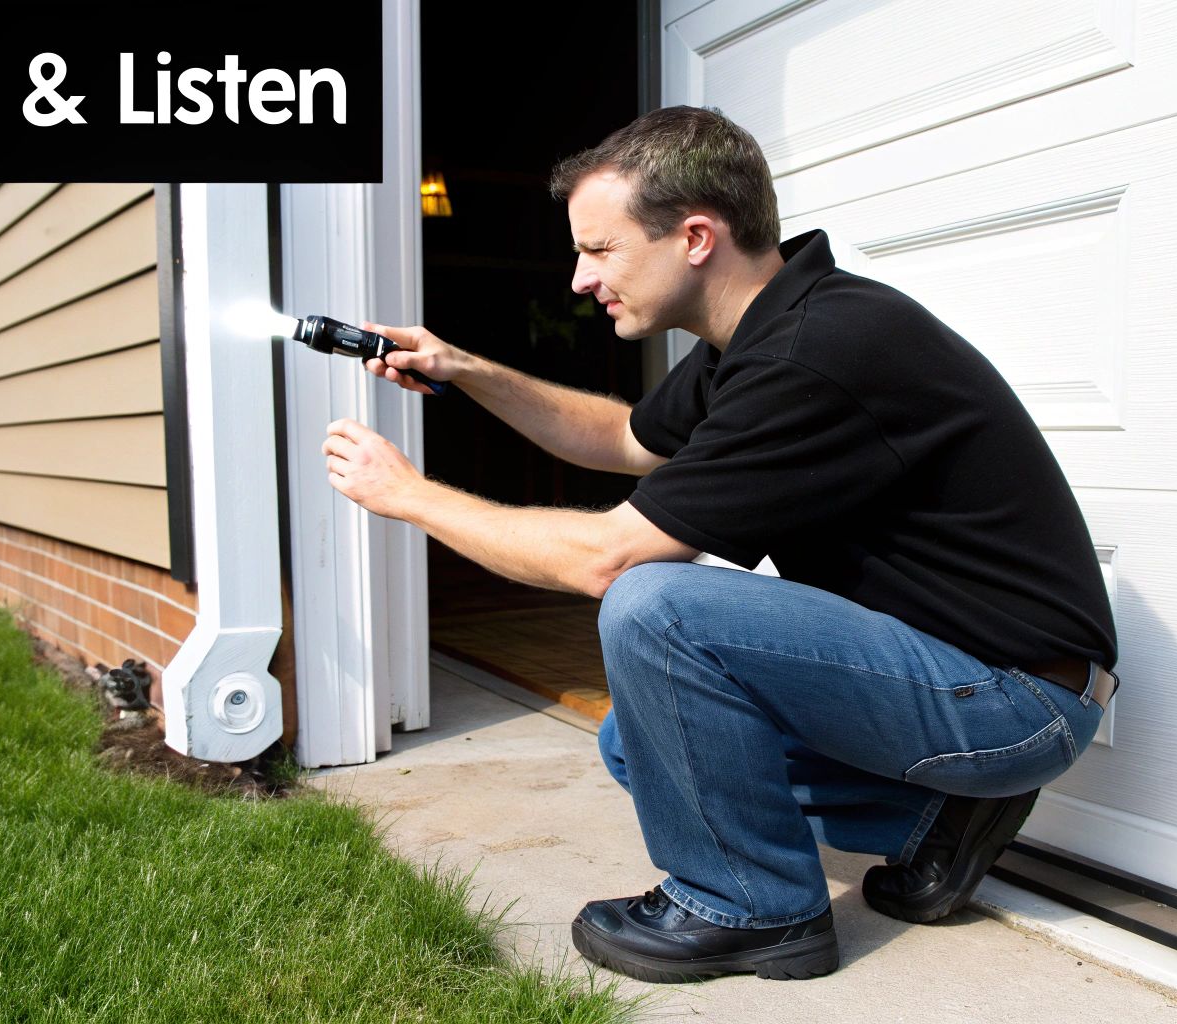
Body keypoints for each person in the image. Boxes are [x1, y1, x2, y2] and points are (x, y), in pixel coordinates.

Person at [320, 105, 1119, 985]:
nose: (581, 277)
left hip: (1015, 699)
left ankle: (752, 910)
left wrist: (410, 497)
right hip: (959, 674)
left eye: (600, 249)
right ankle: (933, 819)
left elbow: (608, 559)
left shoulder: (815, 352)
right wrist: (467, 371)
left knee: (655, 604)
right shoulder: (757, 334)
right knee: (638, 745)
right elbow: (625, 437)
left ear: (695, 236)